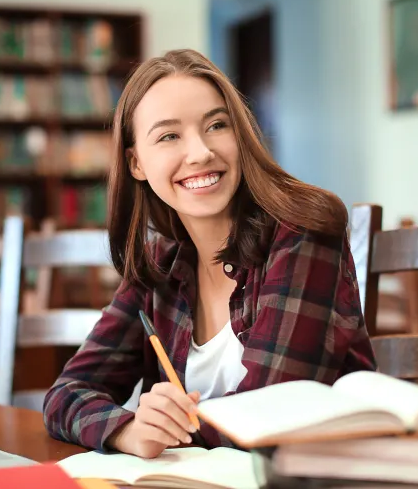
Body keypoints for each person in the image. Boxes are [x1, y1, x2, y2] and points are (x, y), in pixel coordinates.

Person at [42, 49, 376, 459]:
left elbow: (270, 422)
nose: (200, 152)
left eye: (217, 125)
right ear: (136, 164)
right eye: (169, 136)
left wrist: (169, 431)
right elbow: (66, 394)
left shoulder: (302, 231)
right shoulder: (160, 263)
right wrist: (128, 430)